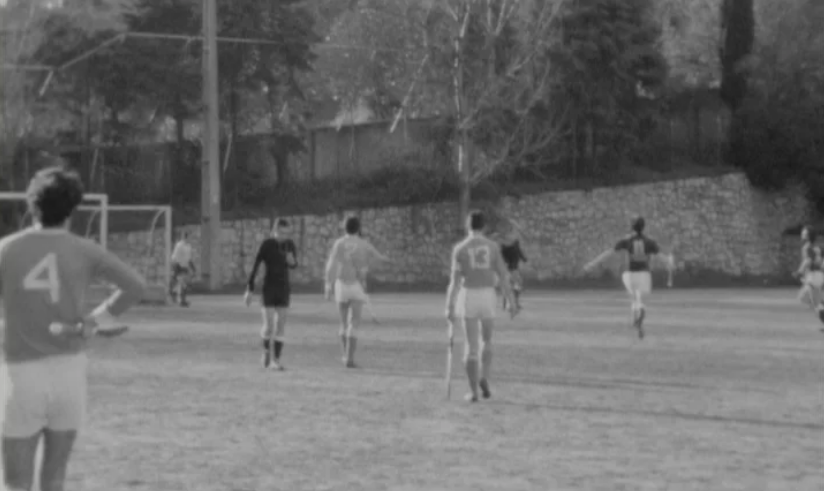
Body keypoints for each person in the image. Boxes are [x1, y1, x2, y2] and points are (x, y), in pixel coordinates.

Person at [1, 165, 146, 491]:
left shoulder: (6, 249)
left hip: (19, 376)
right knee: (53, 480)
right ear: (73, 208)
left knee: (14, 483)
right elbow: (135, 286)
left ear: (30, 204)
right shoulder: (85, 250)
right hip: (68, 374)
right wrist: (94, 321)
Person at [445, 210, 516, 403]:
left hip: (469, 295)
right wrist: (510, 301)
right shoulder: (492, 246)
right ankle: (485, 375)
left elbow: (455, 281)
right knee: (487, 340)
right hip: (488, 295)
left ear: (468, 226)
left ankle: (473, 391)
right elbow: (503, 275)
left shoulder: (460, 248)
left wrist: (449, 306)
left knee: (471, 346)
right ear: (484, 227)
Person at [583, 216, 673, 339]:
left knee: (633, 298)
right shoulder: (649, 242)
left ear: (632, 227)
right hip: (644, 273)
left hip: (629, 274)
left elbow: (608, 253)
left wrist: (592, 264)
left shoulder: (627, 240)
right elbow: (661, 257)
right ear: (643, 227)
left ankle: (636, 320)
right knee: (641, 298)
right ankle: (640, 311)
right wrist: (669, 262)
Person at [324, 216, 389, 368]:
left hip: (341, 285)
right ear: (359, 228)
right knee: (354, 323)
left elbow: (331, 265)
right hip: (356, 285)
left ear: (344, 228)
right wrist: (389, 260)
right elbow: (379, 257)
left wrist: (328, 286)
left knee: (343, 323)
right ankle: (349, 358)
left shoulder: (339, 243)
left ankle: (344, 355)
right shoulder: (363, 244)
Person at [244, 218, 298, 370]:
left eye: (287, 233)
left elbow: (294, 265)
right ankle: (266, 351)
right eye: (281, 232)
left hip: (284, 289)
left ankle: (276, 360)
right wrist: (249, 289)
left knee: (280, 325)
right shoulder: (267, 244)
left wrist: (292, 261)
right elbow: (256, 264)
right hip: (268, 288)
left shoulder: (290, 245)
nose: (284, 236)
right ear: (274, 231)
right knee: (268, 326)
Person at [795, 226, 824, 325]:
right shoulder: (817, 246)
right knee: (809, 299)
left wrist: (799, 272)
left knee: (814, 302)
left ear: (808, 235)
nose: (802, 233)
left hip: (814, 275)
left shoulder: (807, 247)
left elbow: (808, 260)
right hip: (818, 275)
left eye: (804, 232)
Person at [498, 227, 527, 311]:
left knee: (515, 285)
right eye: (513, 233)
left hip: (512, 268)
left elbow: (519, 252)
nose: (514, 235)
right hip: (510, 268)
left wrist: (524, 259)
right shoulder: (505, 245)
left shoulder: (514, 243)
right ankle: (512, 303)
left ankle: (510, 303)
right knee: (515, 285)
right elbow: (502, 256)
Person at [169, 232, 196, 307]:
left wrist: (192, 267)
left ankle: (182, 300)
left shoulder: (188, 246)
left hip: (184, 266)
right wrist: (176, 266)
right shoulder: (179, 245)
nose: (191, 239)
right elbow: (175, 256)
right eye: (190, 237)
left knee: (184, 283)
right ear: (185, 237)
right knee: (177, 282)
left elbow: (189, 258)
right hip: (177, 265)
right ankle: (174, 295)